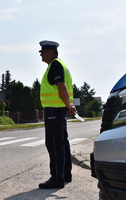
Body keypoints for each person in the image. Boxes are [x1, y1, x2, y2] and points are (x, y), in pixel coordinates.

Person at [38, 40, 77, 189]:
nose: (41, 54)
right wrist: (69, 105)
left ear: (50, 52)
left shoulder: (55, 65)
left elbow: (61, 87)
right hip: (59, 109)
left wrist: (69, 105)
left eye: (43, 51)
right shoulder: (61, 65)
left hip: (54, 109)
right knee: (61, 142)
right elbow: (64, 87)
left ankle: (57, 178)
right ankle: (65, 174)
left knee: (54, 143)